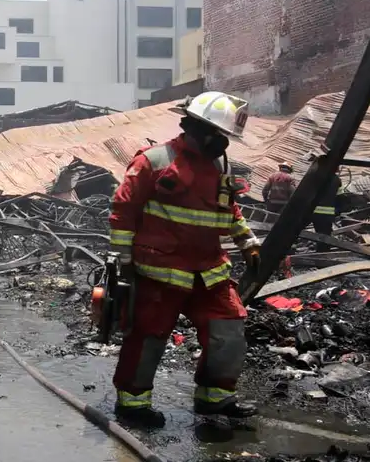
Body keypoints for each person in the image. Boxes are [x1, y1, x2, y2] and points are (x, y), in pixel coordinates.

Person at [109, 91, 261, 428]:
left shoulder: (220, 165)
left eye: (225, 137)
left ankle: (215, 397)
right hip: (160, 271)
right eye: (216, 134)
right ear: (193, 127)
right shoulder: (153, 161)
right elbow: (123, 212)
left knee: (229, 328)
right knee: (149, 335)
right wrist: (124, 263)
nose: (221, 143)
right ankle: (132, 404)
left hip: (209, 270)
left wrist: (248, 241)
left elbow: (230, 209)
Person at [311, 171, 342, 252]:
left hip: (316, 212)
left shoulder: (316, 178)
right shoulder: (337, 180)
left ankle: (320, 251)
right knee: (326, 234)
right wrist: (338, 211)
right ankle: (323, 252)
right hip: (329, 213)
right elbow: (340, 197)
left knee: (318, 232)